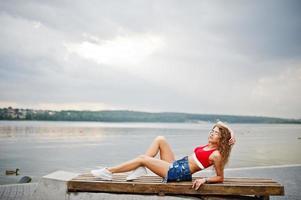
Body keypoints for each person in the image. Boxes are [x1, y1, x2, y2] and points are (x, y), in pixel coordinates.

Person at [91, 121, 236, 190]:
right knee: (160, 139)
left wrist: (204, 180)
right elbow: (219, 122)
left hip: (178, 173)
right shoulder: (209, 146)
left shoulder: (216, 154)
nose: (212, 133)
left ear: (222, 139)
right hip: (178, 165)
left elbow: (220, 177)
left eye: (216, 133)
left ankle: (108, 172)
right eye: (212, 131)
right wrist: (231, 131)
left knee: (143, 158)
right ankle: (142, 168)